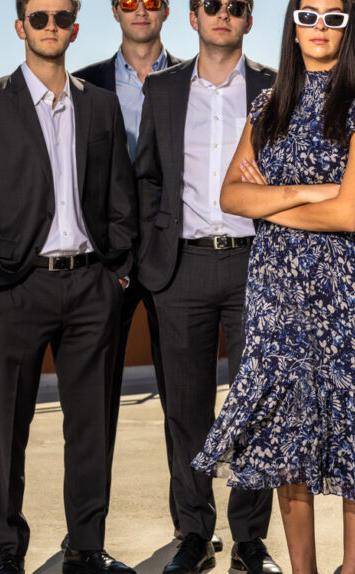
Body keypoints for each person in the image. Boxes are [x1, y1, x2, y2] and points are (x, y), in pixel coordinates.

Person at [190, 0, 355, 572]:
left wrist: (276, 200)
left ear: (350, 28)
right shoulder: (268, 105)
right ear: (292, 25)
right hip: (277, 292)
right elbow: (231, 198)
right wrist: (311, 191)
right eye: (308, 15)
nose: (319, 27)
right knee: (289, 432)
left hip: (350, 294)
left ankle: (354, 569)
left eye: (333, 18)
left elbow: (351, 215)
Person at [0, 1, 138, 573]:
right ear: (20, 27)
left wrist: (119, 272)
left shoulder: (101, 106)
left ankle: (85, 546)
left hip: (91, 286)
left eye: (61, 17)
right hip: (17, 288)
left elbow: (119, 196)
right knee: (9, 426)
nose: (50, 26)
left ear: (76, 28)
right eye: (39, 17)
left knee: (90, 427)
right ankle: (8, 549)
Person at [132, 1, 280, 573]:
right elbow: (147, 175)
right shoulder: (164, 89)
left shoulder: (274, 85)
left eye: (235, 7)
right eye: (211, 5)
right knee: (186, 410)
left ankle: (249, 540)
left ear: (248, 20)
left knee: (257, 408)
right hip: (181, 269)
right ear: (192, 18)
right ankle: (194, 533)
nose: (223, 14)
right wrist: (152, 259)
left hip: (256, 266)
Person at [72, 0, 190, 549]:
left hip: (176, 257)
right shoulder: (83, 83)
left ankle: (192, 529)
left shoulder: (194, 79)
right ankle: (87, 537)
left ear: (167, 11)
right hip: (105, 261)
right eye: (128, 2)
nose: (141, 10)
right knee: (95, 404)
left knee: (184, 404)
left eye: (152, 2)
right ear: (114, 12)